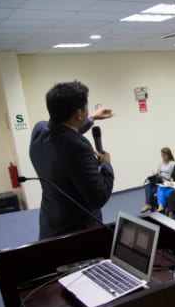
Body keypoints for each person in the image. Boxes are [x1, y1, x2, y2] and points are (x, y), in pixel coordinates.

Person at [30, 81, 114, 240]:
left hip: (50, 224)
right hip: (77, 233)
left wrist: (92, 118)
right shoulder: (79, 148)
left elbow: (62, 134)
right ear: (79, 114)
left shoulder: (39, 131)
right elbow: (99, 197)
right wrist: (106, 164)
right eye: (86, 108)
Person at [142, 147, 175, 212]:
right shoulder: (161, 163)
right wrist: (155, 175)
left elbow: (172, 177)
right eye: (162, 155)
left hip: (166, 181)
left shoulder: (172, 163)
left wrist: (164, 178)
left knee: (152, 190)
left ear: (169, 155)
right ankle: (148, 204)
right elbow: (158, 173)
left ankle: (150, 205)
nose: (163, 157)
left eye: (164, 155)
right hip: (159, 180)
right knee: (148, 183)